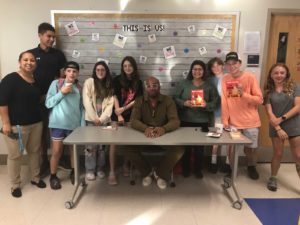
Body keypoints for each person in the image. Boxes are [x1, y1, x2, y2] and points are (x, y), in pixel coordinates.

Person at [0, 51, 46, 198]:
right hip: (16, 126)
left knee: (34, 151)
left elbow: (38, 99)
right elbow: (2, 103)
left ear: (35, 63)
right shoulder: (10, 79)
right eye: (25, 60)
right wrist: (6, 123)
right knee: (15, 155)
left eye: (32, 60)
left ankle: (35, 178)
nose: (29, 62)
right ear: (19, 62)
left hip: (36, 123)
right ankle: (15, 185)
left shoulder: (35, 79)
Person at [125, 76, 184, 189]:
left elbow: (175, 121)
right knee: (126, 148)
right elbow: (133, 121)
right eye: (149, 86)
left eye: (155, 85)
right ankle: (146, 173)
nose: (152, 88)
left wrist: (164, 129)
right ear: (145, 88)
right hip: (144, 135)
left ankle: (159, 174)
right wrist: (145, 128)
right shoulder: (139, 101)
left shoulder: (168, 100)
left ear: (159, 87)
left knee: (179, 149)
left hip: (163, 134)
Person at [29, 22, 67, 178]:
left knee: (57, 129)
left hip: (55, 100)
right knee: (41, 133)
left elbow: (62, 77)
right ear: (40, 35)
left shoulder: (58, 55)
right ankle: (44, 161)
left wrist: (56, 95)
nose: (52, 39)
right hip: (36, 101)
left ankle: (60, 159)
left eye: (53, 37)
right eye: (48, 36)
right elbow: (27, 76)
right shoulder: (30, 55)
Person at [221, 52, 263, 180]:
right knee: (231, 149)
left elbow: (259, 100)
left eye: (234, 63)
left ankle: (251, 166)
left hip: (251, 121)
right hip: (233, 122)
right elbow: (224, 100)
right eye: (228, 64)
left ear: (239, 63)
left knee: (249, 149)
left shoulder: (250, 77)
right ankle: (232, 169)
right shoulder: (225, 79)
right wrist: (225, 120)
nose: (231, 66)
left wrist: (243, 94)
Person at [174, 60, 219, 178]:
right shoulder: (183, 84)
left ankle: (198, 169)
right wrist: (184, 103)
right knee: (186, 148)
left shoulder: (209, 86)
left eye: (200, 69)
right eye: (194, 69)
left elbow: (215, 103)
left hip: (203, 121)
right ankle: (186, 169)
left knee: (200, 148)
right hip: (186, 120)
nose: (197, 72)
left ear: (204, 71)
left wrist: (206, 105)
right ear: (191, 70)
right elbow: (174, 99)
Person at [45, 61, 84, 190]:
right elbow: (48, 103)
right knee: (56, 151)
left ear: (78, 73)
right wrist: (62, 92)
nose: (72, 73)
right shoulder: (56, 84)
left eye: (74, 71)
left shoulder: (79, 87)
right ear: (65, 72)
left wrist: (82, 126)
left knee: (73, 151)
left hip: (74, 125)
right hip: (58, 124)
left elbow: (81, 108)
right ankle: (53, 176)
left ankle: (74, 172)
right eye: (69, 71)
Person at [264, 63, 300, 191]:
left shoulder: (295, 87)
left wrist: (282, 118)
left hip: (293, 125)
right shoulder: (268, 90)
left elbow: (298, 106)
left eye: (282, 73)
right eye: (276, 73)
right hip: (276, 126)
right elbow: (269, 112)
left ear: (286, 74)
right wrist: (278, 128)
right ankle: (273, 178)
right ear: (271, 75)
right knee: (278, 153)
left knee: (298, 155)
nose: (279, 75)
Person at [109, 56, 143, 185]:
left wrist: (123, 109)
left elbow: (137, 100)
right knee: (113, 144)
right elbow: (114, 96)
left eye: (130, 65)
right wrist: (118, 113)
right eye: (125, 66)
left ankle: (125, 166)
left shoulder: (138, 82)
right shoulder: (117, 80)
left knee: (128, 143)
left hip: (131, 115)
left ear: (134, 67)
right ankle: (112, 171)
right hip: (116, 115)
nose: (127, 68)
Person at [82, 61, 114, 181]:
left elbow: (110, 104)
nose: (100, 72)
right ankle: (90, 170)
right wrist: (94, 118)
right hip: (91, 120)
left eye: (103, 70)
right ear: (95, 71)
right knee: (90, 146)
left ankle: (100, 168)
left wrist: (101, 119)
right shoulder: (89, 82)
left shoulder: (109, 84)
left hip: (103, 121)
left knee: (101, 147)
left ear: (106, 72)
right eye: (98, 70)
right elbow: (86, 100)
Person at [207, 57, 230, 173]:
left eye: (218, 65)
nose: (216, 68)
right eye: (213, 66)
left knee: (230, 138)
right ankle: (213, 161)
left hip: (231, 113)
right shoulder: (209, 80)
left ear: (222, 66)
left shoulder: (229, 77)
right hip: (216, 113)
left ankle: (228, 163)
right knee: (215, 137)